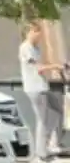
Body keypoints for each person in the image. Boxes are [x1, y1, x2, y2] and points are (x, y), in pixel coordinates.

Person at [19, 21, 66, 162]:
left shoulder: (36, 48)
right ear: (29, 32)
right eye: (36, 31)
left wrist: (58, 66)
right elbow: (38, 68)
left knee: (58, 111)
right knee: (43, 119)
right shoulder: (25, 48)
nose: (39, 35)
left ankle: (52, 144)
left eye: (39, 32)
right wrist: (55, 66)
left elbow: (44, 63)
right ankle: (41, 152)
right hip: (35, 88)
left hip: (42, 86)